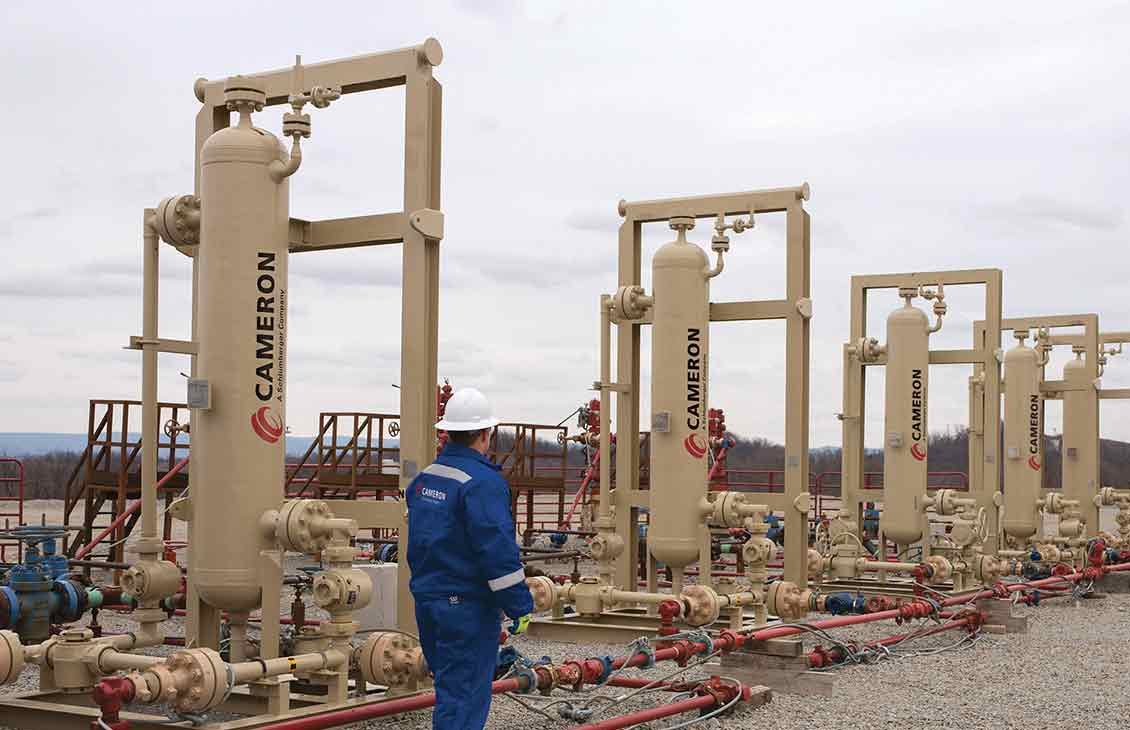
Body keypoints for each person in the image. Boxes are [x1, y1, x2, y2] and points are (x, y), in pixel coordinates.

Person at [405, 387, 534, 730]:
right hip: (466, 608)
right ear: (484, 434)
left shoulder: (425, 479)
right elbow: (497, 552)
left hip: (428, 601)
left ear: (448, 431)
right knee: (463, 698)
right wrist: (520, 605)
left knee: (449, 690)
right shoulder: (481, 483)